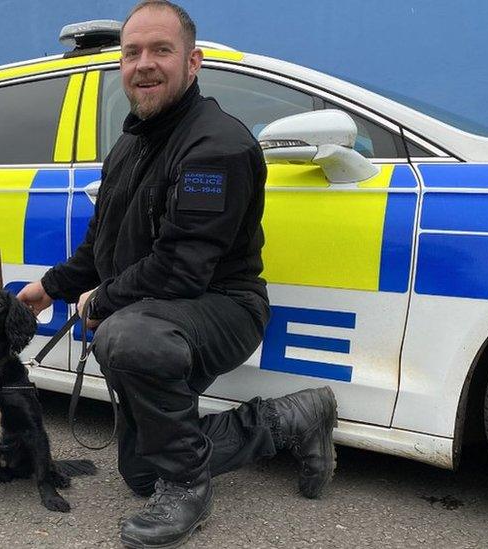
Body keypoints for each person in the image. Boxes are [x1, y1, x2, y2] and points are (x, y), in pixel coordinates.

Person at [18, 2, 338, 547]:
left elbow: (183, 269)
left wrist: (100, 301)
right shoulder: (130, 144)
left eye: (160, 50)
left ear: (193, 62)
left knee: (127, 334)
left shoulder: (216, 146)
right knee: (142, 472)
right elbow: (100, 245)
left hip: (222, 308)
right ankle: (292, 418)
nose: (143, 63)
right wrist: (49, 288)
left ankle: (190, 485)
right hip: (162, 312)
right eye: (131, 52)